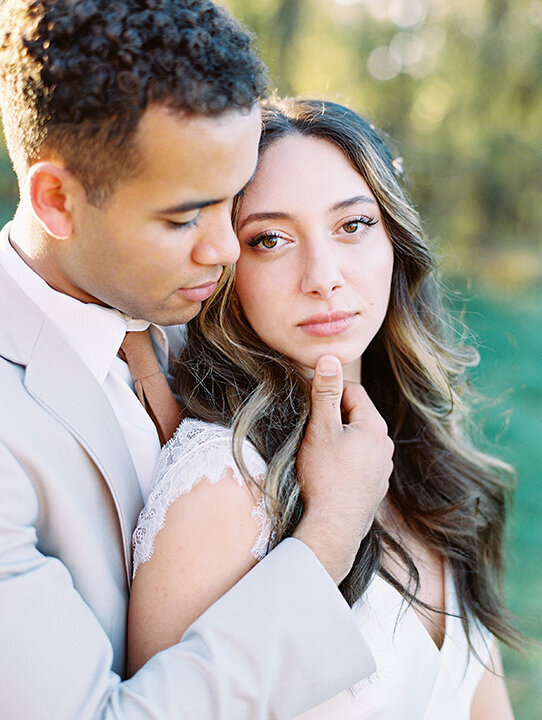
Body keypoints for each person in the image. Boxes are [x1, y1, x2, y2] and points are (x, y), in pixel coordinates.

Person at [0, 3, 394, 718]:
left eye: (234, 203)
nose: (226, 249)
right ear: (57, 200)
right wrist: (330, 534)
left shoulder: (209, 313)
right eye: (185, 217)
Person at [128, 98, 519, 718]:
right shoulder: (222, 490)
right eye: (271, 239)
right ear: (228, 268)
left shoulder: (424, 469)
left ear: (395, 240)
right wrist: (329, 529)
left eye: (353, 225)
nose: (323, 276)